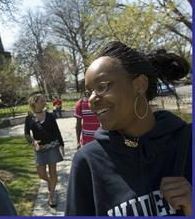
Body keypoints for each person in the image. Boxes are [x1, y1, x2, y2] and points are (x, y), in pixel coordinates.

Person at [65, 41, 192, 216]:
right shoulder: (87, 162)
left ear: (139, 84)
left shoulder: (188, 142)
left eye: (102, 86)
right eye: (89, 92)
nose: (91, 99)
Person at [24, 94, 64, 207]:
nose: (44, 103)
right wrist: (33, 142)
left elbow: (57, 131)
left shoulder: (50, 115)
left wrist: (61, 144)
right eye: (41, 101)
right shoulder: (29, 118)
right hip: (39, 149)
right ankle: (51, 183)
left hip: (52, 147)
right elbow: (26, 134)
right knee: (41, 174)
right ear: (34, 103)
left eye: (44, 101)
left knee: (53, 173)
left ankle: (51, 196)